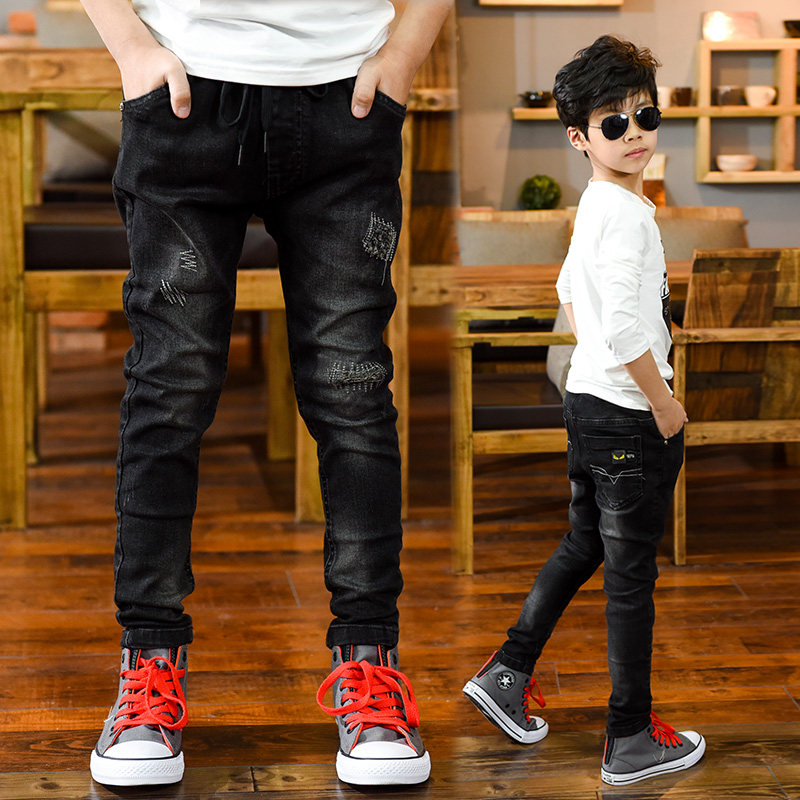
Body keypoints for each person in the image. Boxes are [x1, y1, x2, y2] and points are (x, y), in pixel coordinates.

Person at [79, 0, 452, 788]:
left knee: (353, 393)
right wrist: (132, 47)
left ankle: (370, 667)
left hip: (347, 101)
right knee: (168, 393)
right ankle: (147, 670)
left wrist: (403, 58)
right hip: (186, 99)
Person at [462, 35, 706, 786]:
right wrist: (664, 405)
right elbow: (626, 329)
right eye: (613, 122)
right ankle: (629, 737)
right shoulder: (626, 215)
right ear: (578, 136)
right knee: (631, 578)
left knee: (585, 543)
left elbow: (567, 291)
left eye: (645, 115)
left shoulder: (600, 204)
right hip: (630, 413)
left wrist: (598, 361)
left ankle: (507, 671)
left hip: (589, 402)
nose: (634, 133)